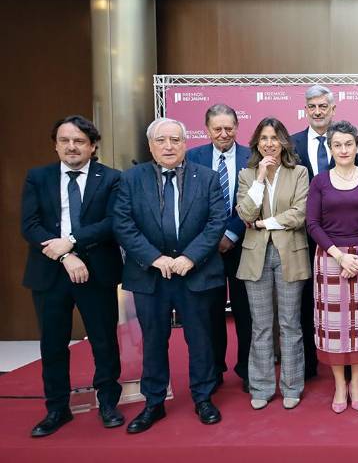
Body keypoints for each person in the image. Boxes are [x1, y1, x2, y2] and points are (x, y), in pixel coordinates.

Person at [114, 117, 227, 433]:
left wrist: (190, 257)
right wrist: (154, 258)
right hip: (150, 275)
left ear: (185, 143)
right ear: (150, 144)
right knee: (153, 340)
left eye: (175, 140)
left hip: (196, 272)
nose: (168, 146)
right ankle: (153, 403)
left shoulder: (206, 177)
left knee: (201, 339)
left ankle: (203, 397)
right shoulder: (131, 179)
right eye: (161, 140)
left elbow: (217, 221)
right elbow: (123, 224)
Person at [21, 115, 123, 437]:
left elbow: (112, 223)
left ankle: (108, 402)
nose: (71, 146)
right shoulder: (37, 177)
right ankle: (56, 409)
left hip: (97, 272)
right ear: (55, 144)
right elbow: (30, 225)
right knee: (53, 344)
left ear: (92, 146)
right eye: (64, 140)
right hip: (50, 273)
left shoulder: (111, 179)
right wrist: (66, 255)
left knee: (104, 342)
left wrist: (74, 242)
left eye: (79, 141)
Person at [307, 121, 358, 413]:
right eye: (337, 144)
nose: (343, 149)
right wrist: (339, 256)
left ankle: (356, 382)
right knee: (334, 327)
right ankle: (340, 384)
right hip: (330, 258)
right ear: (330, 148)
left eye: (348, 144)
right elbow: (312, 223)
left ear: (357, 146)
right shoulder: (320, 181)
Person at [235, 117, 310, 410]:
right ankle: (262, 386)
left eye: (274, 138)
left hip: (290, 253)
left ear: (284, 142)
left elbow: (298, 214)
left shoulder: (299, 172)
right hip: (256, 255)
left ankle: (292, 385)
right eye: (264, 138)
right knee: (261, 326)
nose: (269, 143)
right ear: (257, 143)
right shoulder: (247, 175)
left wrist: (263, 223)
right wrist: (259, 179)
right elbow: (245, 213)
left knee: (290, 324)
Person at [290, 84, 358, 378]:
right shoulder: (292, 143)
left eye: (323, 106)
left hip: (342, 239)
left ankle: (346, 365)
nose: (318, 111)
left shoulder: (348, 142)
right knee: (308, 302)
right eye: (312, 107)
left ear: (333, 109)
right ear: (305, 110)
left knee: (345, 308)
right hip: (302, 237)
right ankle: (310, 364)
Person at [186, 104, 252, 393]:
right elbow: (188, 203)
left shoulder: (252, 157)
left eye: (229, 128)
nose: (223, 134)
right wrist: (212, 238)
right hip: (205, 250)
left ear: (237, 127)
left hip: (244, 246)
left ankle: (248, 370)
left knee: (246, 312)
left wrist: (232, 233)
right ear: (206, 129)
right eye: (217, 129)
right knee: (209, 313)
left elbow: (256, 200)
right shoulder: (192, 157)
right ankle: (213, 371)